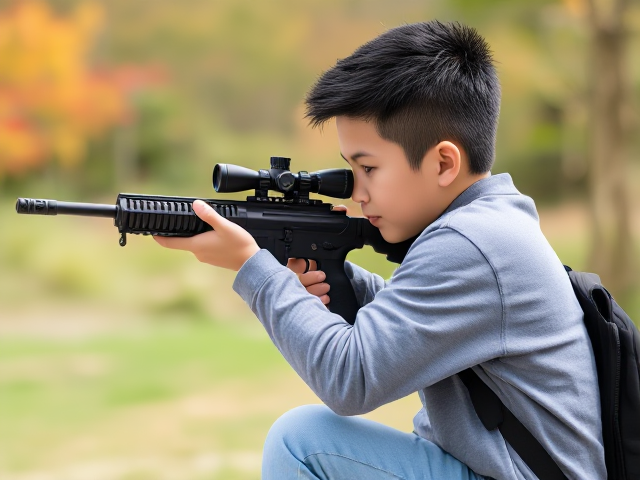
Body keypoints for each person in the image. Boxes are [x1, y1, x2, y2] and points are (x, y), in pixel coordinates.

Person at [154, 21, 605, 480]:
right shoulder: (493, 224)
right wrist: (336, 280)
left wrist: (253, 268)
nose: (357, 192)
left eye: (368, 168)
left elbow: (350, 381)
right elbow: (414, 319)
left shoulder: (471, 243)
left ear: (443, 163)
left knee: (302, 442)